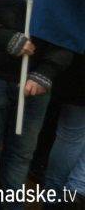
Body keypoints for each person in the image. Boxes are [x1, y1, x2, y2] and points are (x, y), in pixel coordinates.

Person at [0, 0, 72, 209]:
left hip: (34, 76)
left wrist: (48, 69)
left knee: (18, 155)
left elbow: (69, 17)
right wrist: (2, 36)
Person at [45, 53, 84, 207]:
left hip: (72, 62)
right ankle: (74, 191)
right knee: (72, 134)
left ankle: (63, 194)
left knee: (70, 135)